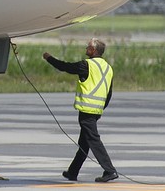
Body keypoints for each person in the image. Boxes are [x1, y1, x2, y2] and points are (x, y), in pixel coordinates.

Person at [43, 38, 118, 182]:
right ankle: (73, 172)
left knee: (93, 140)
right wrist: (100, 108)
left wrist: (49, 58)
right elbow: (109, 93)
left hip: (87, 109)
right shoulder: (108, 68)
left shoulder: (86, 65)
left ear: (94, 50)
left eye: (88, 47)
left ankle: (110, 170)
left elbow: (64, 67)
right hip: (96, 110)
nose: (86, 48)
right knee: (84, 142)